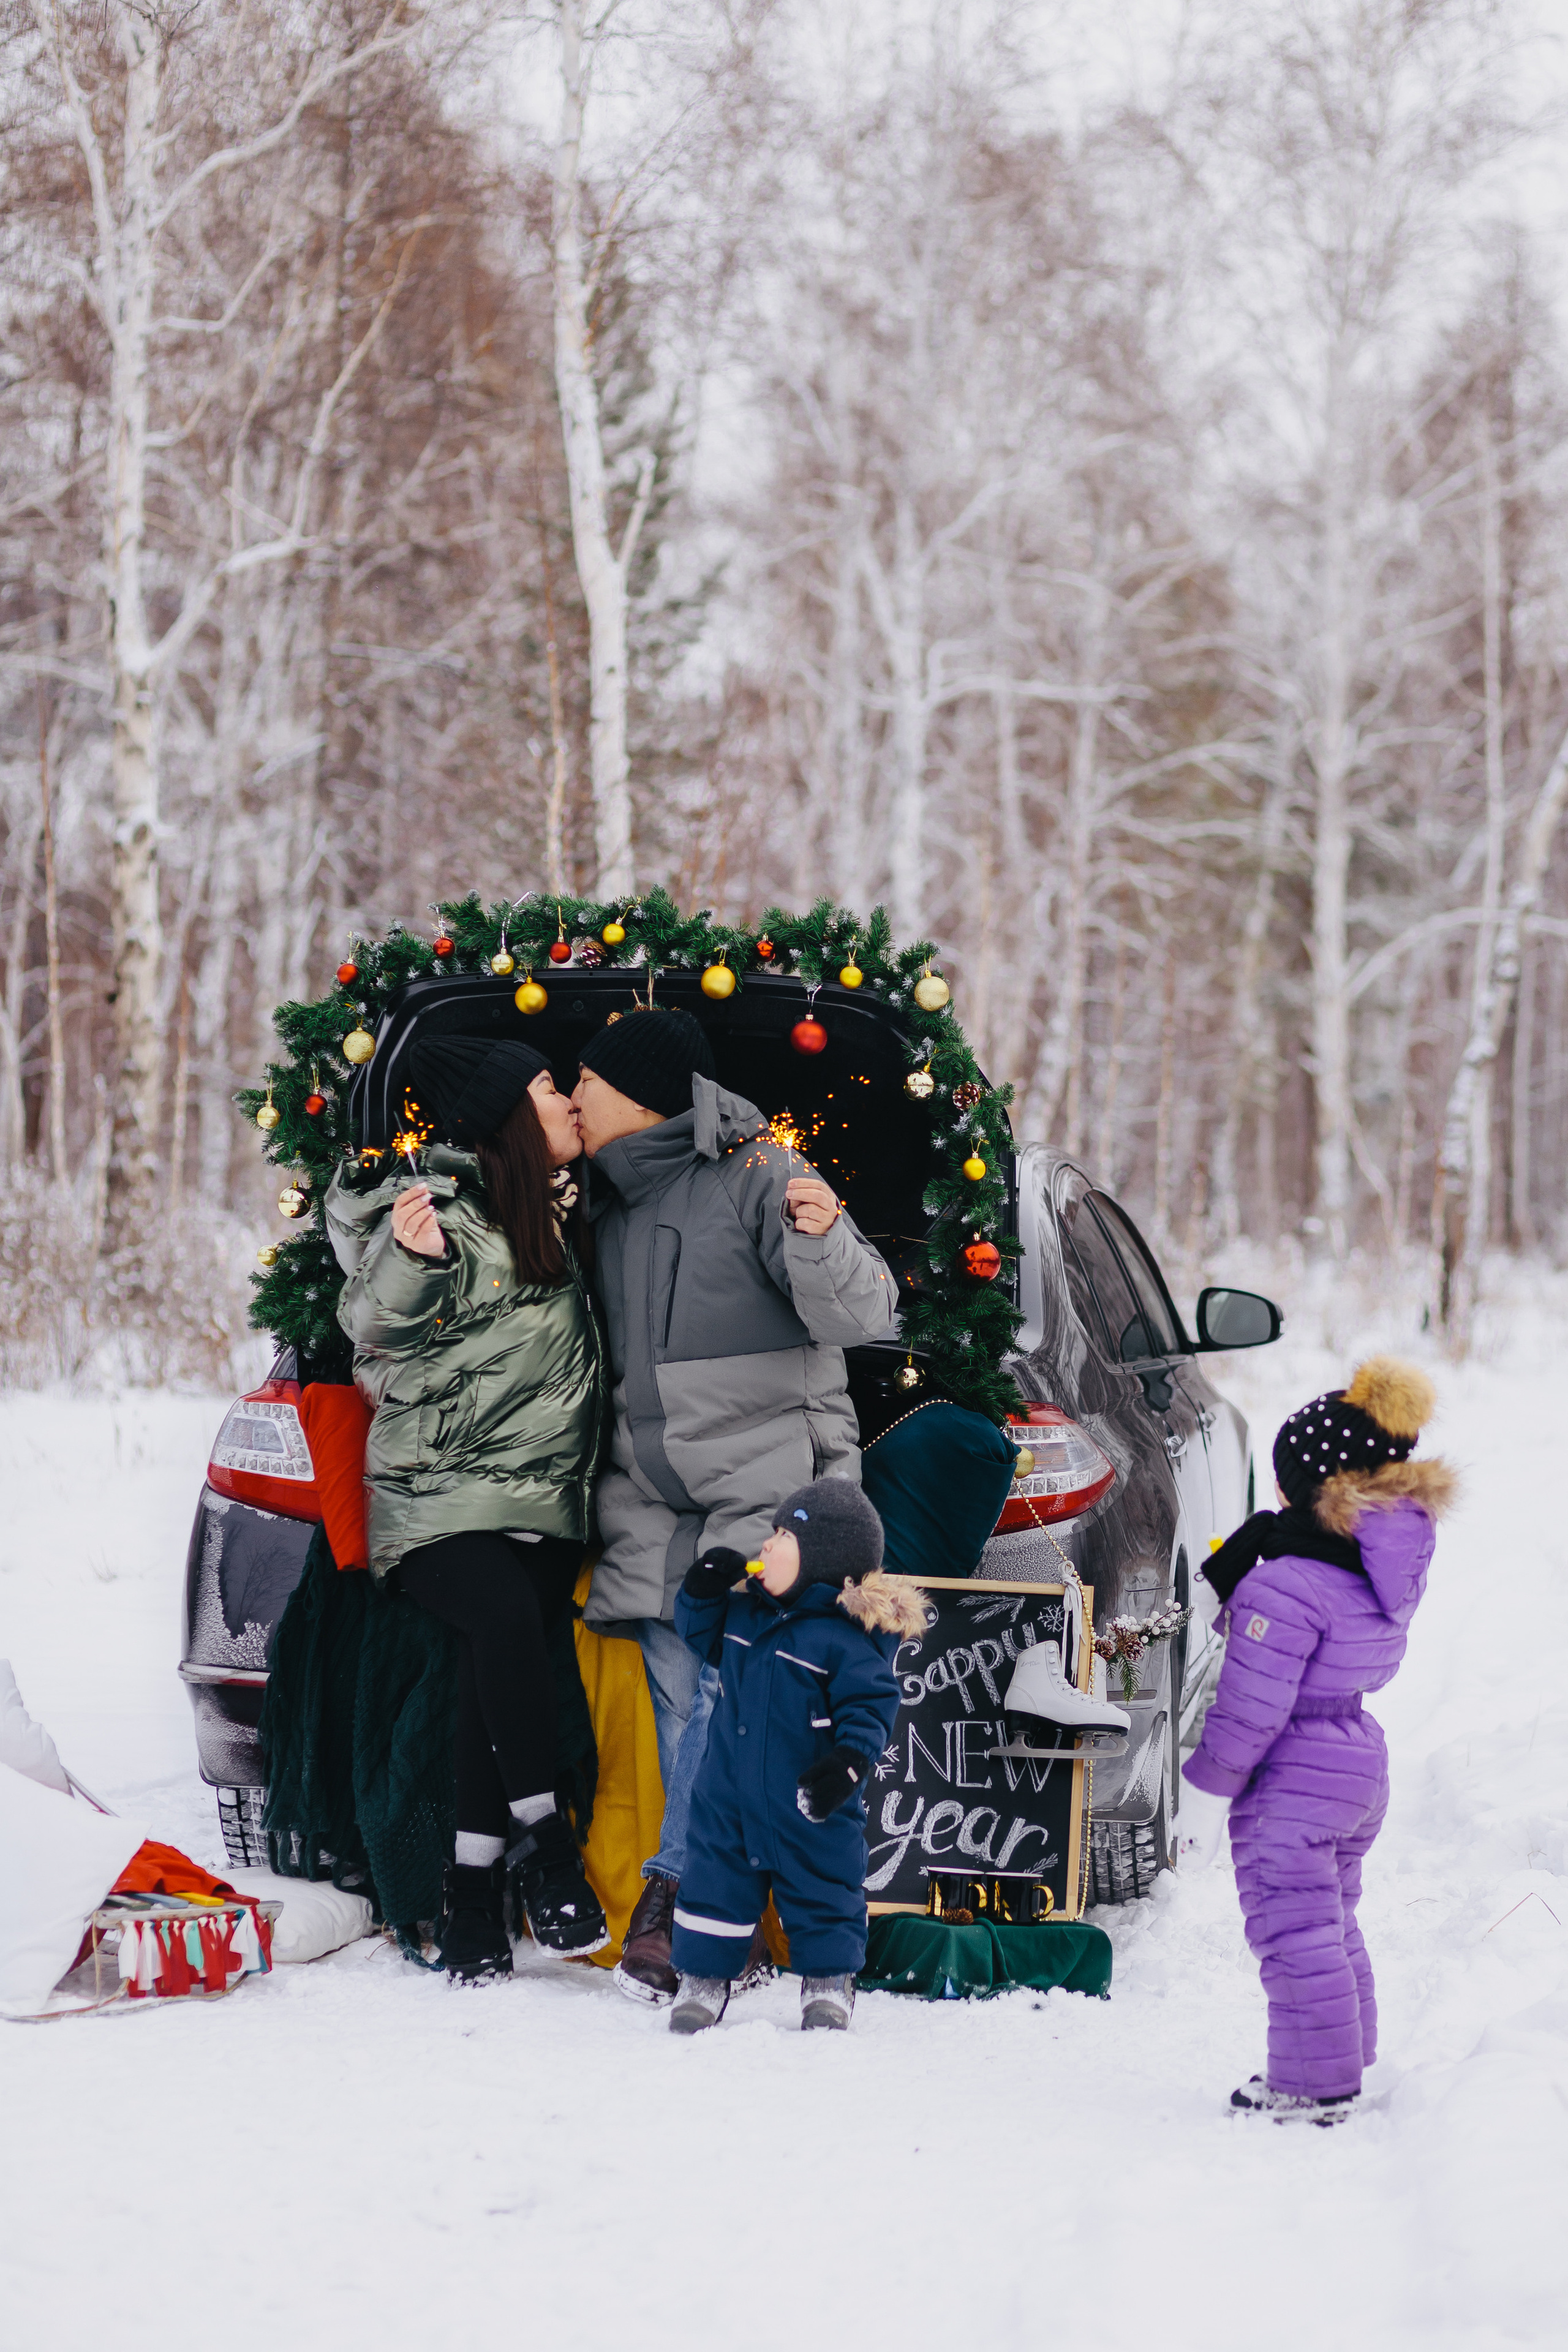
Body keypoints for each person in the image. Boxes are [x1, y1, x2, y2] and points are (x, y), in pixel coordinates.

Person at [569, 1008, 899, 2003]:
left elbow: (868, 1312)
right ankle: (728, 1917)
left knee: (728, 1693)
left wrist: (826, 1237)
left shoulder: (763, 1174)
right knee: (687, 1704)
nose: (574, 1095)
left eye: (587, 1081)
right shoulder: (603, 1200)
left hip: (766, 1482)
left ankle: (678, 1900)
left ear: (638, 1094)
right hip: (650, 1496)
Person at [325, 1036, 608, 1983]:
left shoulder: (548, 1210)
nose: (568, 1100)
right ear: (508, 1115)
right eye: (549, 1086)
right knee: (503, 1620)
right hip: (436, 1493)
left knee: (495, 1670)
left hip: (540, 1495)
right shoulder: (441, 1211)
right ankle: (548, 1848)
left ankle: (474, 1901)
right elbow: (372, 1324)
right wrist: (410, 1260)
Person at [1180, 1356, 1455, 2124]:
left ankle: (1312, 2083)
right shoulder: (1365, 1579)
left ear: (1307, 1489)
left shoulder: (1283, 1585)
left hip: (1294, 1776)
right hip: (1355, 1760)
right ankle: (1347, 2055)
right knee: (1330, 1919)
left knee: (1292, 1929)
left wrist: (1206, 1784)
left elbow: (1251, 1709)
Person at [663, 1478, 924, 2032]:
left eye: (785, 1535)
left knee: (824, 1884)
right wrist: (702, 1590)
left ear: (823, 1557)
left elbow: (870, 1705)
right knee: (712, 1882)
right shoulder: (745, 1615)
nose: (767, 1543)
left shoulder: (846, 1640)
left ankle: (828, 1982)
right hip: (728, 1797)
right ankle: (702, 1979)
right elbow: (700, 1635)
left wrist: (848, 1764)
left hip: (808, 1799)